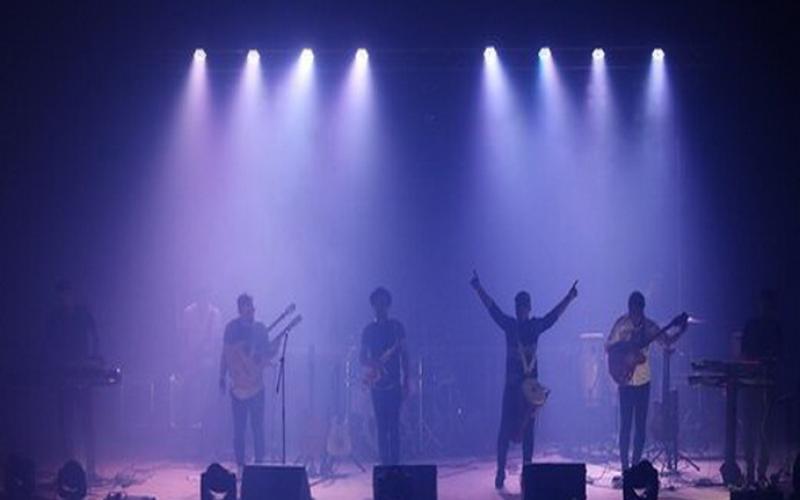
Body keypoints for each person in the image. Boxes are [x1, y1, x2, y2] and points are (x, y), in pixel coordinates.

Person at [470, 271, 578, 490]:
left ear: (528, 308)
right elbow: (492, 309)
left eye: (522, 307)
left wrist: (569, 297)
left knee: (528, 432)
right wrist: (478, 288)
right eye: (518, 307)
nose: (520, 311)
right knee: (504, 431)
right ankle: (501, 471)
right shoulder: (510, 326)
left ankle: (528, 474)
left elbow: (553, 316)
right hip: (512, 388)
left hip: (530, 391)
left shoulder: (534, 326)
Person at [605, 291, 687, 472]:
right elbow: (608, 346)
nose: (635, 314)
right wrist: (625, 351)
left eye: (638, 310)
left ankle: (635, 466)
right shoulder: (621, 324)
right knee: (625, 425)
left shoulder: (650, 327)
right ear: (629, 309)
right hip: (625, 381)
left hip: (643, 381)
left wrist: (681, 330)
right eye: (632, 310)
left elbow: (666, 341)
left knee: (640, 427)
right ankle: (625, 467)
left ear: (642, 309)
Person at [219, 293, 284, 471]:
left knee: (258, 428)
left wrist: (275, 347)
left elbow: (265, 354)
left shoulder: (260, 329)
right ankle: (240, 465)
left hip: (256, 387)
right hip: (238, 388)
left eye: (253, 308)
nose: (252, 312)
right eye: (248, 309)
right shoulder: (231, 328)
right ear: (240, 310)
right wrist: (221, 376)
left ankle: (259, 464)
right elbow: (225, 354)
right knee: (239, 429)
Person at [42, 280, 100, 478]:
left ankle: (91, 468)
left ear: (73, 295)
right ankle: (71, 468)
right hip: (65, 374)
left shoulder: (83, 315)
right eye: (61, 296)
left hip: (82, 373)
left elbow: (95, 338)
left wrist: (93, 360)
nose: (64, 299)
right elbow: (48, 346)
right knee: (66, 424)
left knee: (87, 422)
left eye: (67, 295)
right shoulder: (55, 319)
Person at [360, 287, 409, 465]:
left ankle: (395, 464)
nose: (380, 307)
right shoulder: (368, 330)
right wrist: (374, 363)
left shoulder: (397, 328)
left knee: (394, 425)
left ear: (388, 305)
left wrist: (407, 380)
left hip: (394, 384)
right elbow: (361, 357)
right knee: (381, 426)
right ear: (373, 305)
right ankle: (384, 464)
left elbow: (405, 355)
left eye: (383, 303)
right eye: (376, 303)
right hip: (377, 384)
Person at [740, 289, 784, 485]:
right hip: (752, 381)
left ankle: (760, 471)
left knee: (764, 428)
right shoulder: (752, 325)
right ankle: (751, 470)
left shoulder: (775, 327)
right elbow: (743, 353)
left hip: (767, 382)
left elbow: (780, 355)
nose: (764, 307)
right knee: (751, 427)